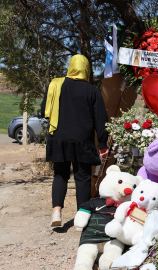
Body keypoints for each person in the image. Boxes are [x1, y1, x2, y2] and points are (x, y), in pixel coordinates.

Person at [40, 55, 109, 227]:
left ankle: (56, 211)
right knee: (83, 178)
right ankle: (81, 220)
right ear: (86, 69)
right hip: (83, 140)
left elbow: (44, 110)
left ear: (70, 67)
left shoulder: (55, 84)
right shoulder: (92, 90)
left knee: (60, 174)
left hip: (59, 138)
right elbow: (101, 119)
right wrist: (102, 143)